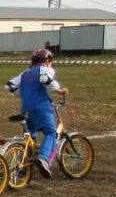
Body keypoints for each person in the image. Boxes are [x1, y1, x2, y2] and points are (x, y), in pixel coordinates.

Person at [6, 47, 69, 179]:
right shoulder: (46, 69)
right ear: (47, 60)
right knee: (51, 133)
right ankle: (44, 158)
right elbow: (44, 79)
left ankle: (24, 167)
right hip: (41, 107)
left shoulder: (25, 73)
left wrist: (24, 93)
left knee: (30, 138)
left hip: (26, 108)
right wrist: (58, 90)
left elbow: (10, 86)